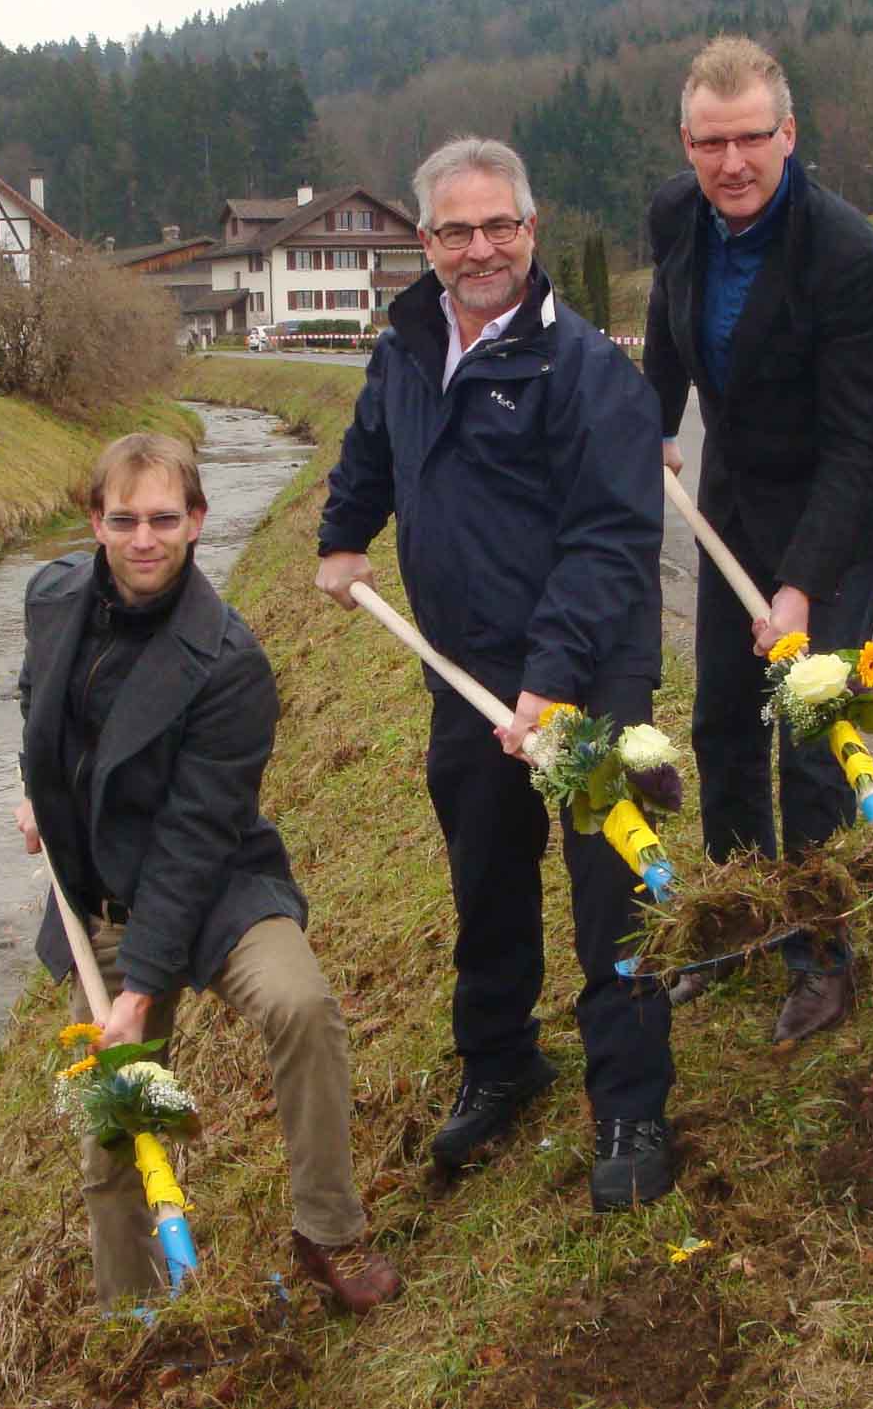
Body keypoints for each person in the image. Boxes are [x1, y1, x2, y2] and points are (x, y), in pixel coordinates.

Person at [314, 136, 676, 1212]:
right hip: (462, 667)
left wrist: (551, 679)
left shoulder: (589, 372)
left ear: (531, 228)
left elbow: (611, 539)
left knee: (612, 886)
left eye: (500, 226)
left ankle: (631, 1104)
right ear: (426, 242)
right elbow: (371, 449)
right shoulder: (408, 347)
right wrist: (343, 535)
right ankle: (502, 1060)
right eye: (457, 231)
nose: (481, 249)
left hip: (588, 669)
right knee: (486, 871)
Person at [15, 433, 401, 1316]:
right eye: (124, 520)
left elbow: (193, 838)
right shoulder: (51, 597)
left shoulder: (229, 663)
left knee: (300, 1005)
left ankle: (328, 1233)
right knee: (113, 1124)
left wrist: (141, 989)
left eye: (162, 519)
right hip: (100, 898)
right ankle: (136, 1315)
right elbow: (35, 695)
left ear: (195, 521)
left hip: (217, 883)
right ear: (94, 522)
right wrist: (39, 786)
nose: (143, 539)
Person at [642, 36, 873, 1044]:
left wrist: (803, 586)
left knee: (808, 735)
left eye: (751, 140)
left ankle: (820, 953)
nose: (731, 163)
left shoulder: (848, 257)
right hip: (736, 493)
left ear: (788, 134)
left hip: (840, 506)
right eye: (709, 143)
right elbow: (665, 322)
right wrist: (654, 423)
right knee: (724, 719)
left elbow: (857, 443)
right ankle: (738, 923)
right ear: (687, 142)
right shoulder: (677, 215)